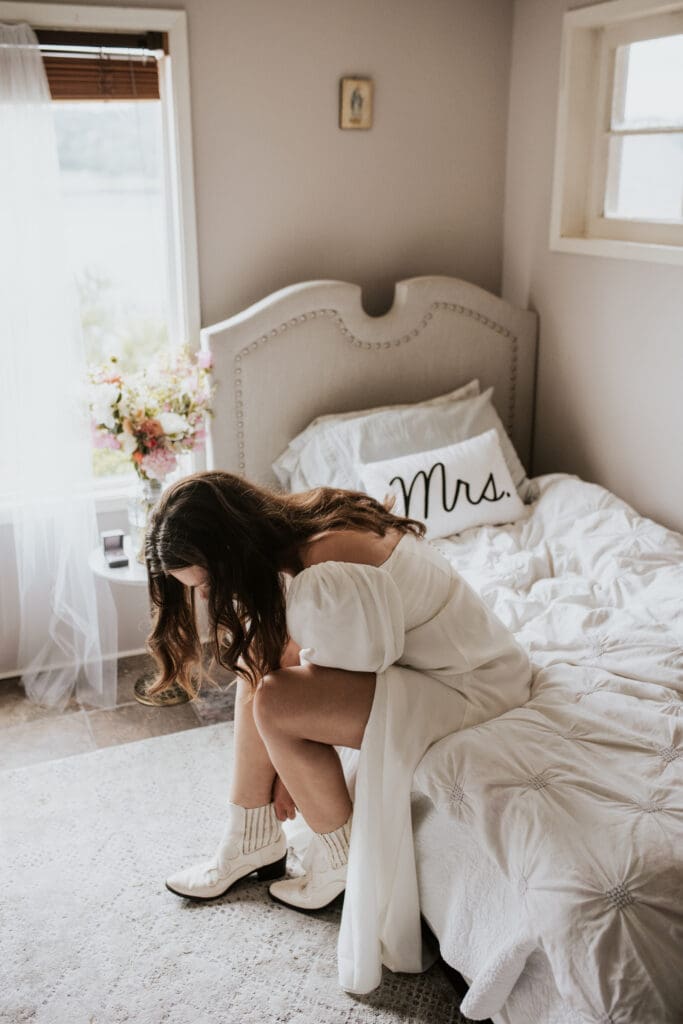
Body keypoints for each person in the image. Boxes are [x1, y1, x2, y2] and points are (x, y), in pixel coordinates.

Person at [144, 469, 532, 995]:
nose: (210, 597)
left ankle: (339, 863)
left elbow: (332, 679)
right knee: (254, 659)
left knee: (276, 700)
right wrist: (281, 755)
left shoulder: (327, 571)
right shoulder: (301, 530)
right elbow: (293, 653)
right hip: (426, 662)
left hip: (467, 685)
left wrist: (287, 763)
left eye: (208, 583)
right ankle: (247, 840)